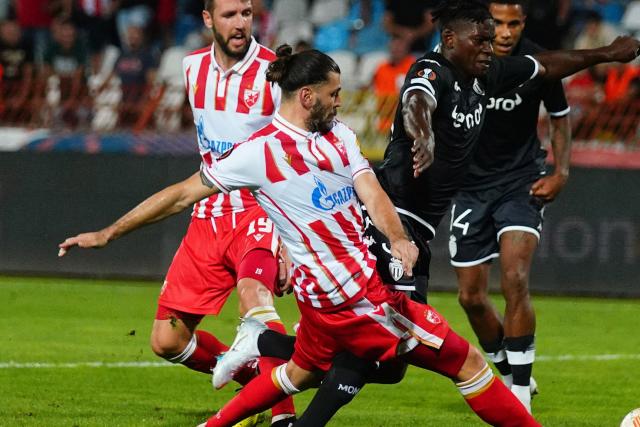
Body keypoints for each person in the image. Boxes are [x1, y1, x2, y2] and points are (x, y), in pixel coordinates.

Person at [213, 1, 640, 424]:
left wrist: (605, 54)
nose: (490, 47)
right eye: (481, 39)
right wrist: (423, 136)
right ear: (450, 39)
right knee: (394, 348)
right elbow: (418, 102)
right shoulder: (431, 70)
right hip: (387, 222)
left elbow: (543, 66)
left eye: (491, 39)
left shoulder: (484, 75)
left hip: (414, 231)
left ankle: (265, 345)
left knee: (388, 360)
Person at [58, 1, 296, 425]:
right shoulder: (191, 68)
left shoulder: (275, 73)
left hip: (260, 209)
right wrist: (107, 233)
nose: (240, 22)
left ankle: (284, 417)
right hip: (207, 212)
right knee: (167, 340)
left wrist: (291, 243)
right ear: (207, 19)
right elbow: (207, 161)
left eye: (246, 12)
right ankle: (254, 379)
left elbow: (299, 156)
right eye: (229, 14)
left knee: (254, 302)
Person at [448, 0, 568, 413]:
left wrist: (562, 172)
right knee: (470, 298)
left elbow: (560, 116)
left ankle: (518, 393)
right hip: (468, 189)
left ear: (523, 23)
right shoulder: (464, 57)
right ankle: (509, 371)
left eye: (512, 23)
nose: (504, 32)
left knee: (515, 277)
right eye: (496, 23)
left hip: (520, 182)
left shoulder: (538, 62)